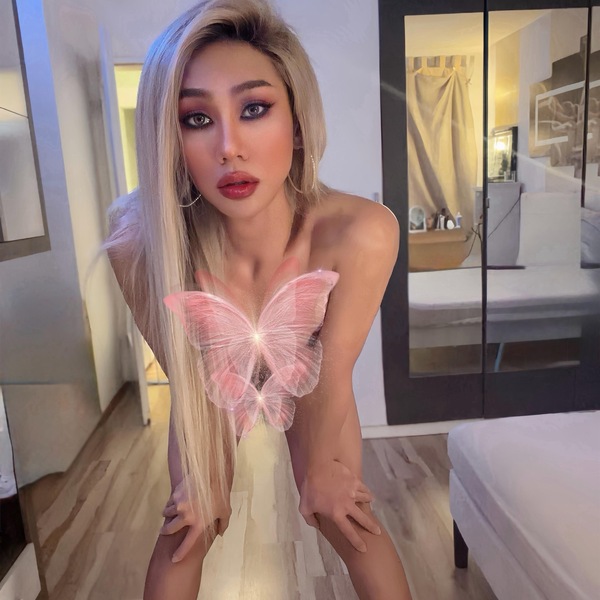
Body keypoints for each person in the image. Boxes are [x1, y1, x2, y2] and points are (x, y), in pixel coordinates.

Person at [105, 1, 412, 598]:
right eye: (197, 119)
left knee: (343, 512)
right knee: (190, 522)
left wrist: (320, 468)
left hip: (313, 368)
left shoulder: (361, 231)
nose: (229, 147)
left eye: (253, 109)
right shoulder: (137, 242)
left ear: (296, 122)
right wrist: (200, 484)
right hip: (210, 374)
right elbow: (187, 378)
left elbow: (332, 373)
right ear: (170, 140)